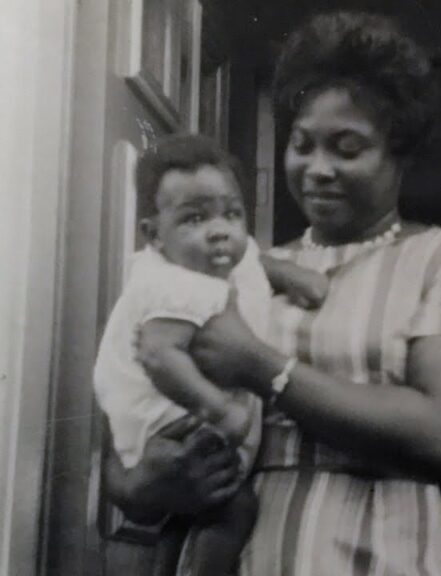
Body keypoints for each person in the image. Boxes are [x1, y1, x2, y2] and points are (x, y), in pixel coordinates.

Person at [105, 11, 441, 576]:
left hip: (382, 553)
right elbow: (132, 432)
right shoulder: (240, 266)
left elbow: (440, 435)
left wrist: (262, 367)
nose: (317, 169)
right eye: (302, 145)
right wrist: (144, 484)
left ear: (401, 154)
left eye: (346, 149)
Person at [94, 133, 327, 576]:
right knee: (230, 510)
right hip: (169, 418)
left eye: (232, 214)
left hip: (183, 422)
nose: (220, 230)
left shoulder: (215, 257)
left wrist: (289, 273)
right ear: (153, 234)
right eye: (195, 218)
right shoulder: (173, 284)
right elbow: (161, 356)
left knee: (187, 521)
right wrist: (217, 407)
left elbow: (252, 261)